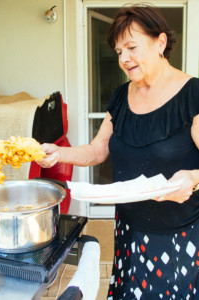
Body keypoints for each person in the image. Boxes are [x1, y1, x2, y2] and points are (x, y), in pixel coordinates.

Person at [37, 4, 199, 299]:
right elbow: (97, 151)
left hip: (178, 234)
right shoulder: (121, 97)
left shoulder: (193, 95)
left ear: (160, 42)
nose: (124, 59)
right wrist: (57, 154)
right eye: (118, 51)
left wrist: (192, 176)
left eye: (132, 47)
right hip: (128, 229)